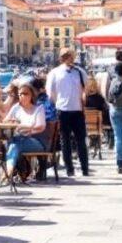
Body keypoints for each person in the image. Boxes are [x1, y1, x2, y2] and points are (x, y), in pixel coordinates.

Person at [45, 49, 90, 177]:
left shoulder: (80, 72)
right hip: (62, 110)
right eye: (66, 56)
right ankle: (69, 168)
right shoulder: (54, 73)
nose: (69, 59)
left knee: (80, 140)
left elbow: (85, 88)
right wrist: (58, 103)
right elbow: (50, 93)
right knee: (65, 141)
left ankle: (84, 168)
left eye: (71, 56)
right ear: (62, 58)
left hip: (77, 110)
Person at [2, 82, 47, 176]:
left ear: (31, 95)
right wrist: (11, 121)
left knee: (14, 143)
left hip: (35, 141)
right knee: (14, 144)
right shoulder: (16, 108)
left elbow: (41, 126)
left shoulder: (38, 108)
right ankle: (10, 171)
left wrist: (24, 126)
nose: (22, 96)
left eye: (25, 93)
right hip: (18, 139)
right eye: (20, 94)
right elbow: (5, 121)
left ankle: (8, 172)